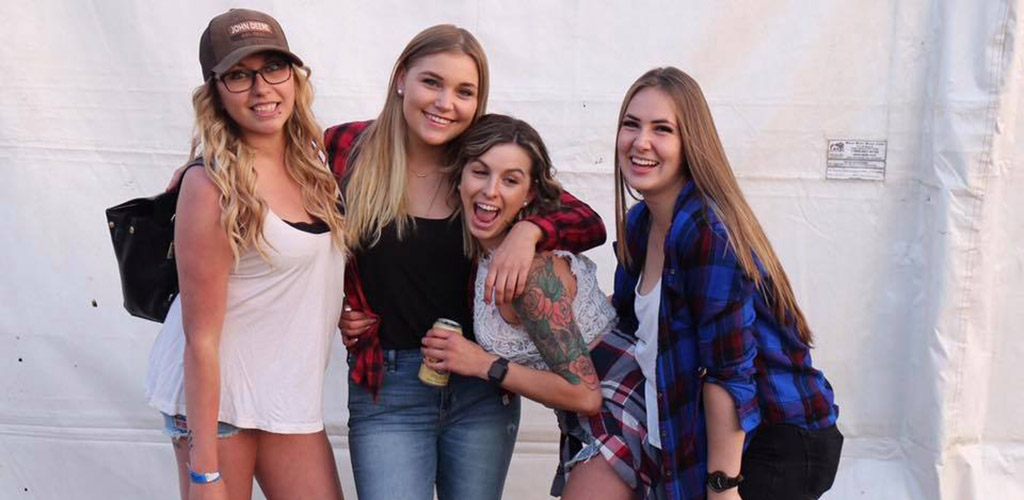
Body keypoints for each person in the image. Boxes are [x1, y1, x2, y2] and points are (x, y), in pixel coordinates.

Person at [327, 26, 607, 500]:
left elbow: (587, 222)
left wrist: (529, 232)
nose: (445, 103)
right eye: (431, 82)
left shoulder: (480, 162)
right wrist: (335, 304)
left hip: (481, 390)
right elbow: (291, 216)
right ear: (401, 79)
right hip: (389, 387)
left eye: (464, 91)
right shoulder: (349, 150)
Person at [570, 67, 843, 500]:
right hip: (707, 428)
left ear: (691, 143)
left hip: (776, 437)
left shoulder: (706, 234)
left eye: (662, 129)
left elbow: (727, 375)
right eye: (631, 124)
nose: (641, 142)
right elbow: (631, 324)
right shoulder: (641, 225)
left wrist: (722, 487)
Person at [145, 9, 346, 500]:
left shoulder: (318, 165)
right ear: (215, 91)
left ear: (294, 77)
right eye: (239, 75)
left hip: (285, 397)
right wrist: (204, 474)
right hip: (219, 406)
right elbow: (200, 339)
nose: (261, 89)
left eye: (274, 68)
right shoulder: (210, 184)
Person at [418, 114, 617, 497]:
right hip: (584, 424)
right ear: (459, 176)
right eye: (480, 172)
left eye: (510, 180)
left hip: (617, 410)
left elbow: (585, 395)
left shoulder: (529, 274)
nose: (491, 190)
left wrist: (482, 363)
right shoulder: (487, 254)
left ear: (529, 193)